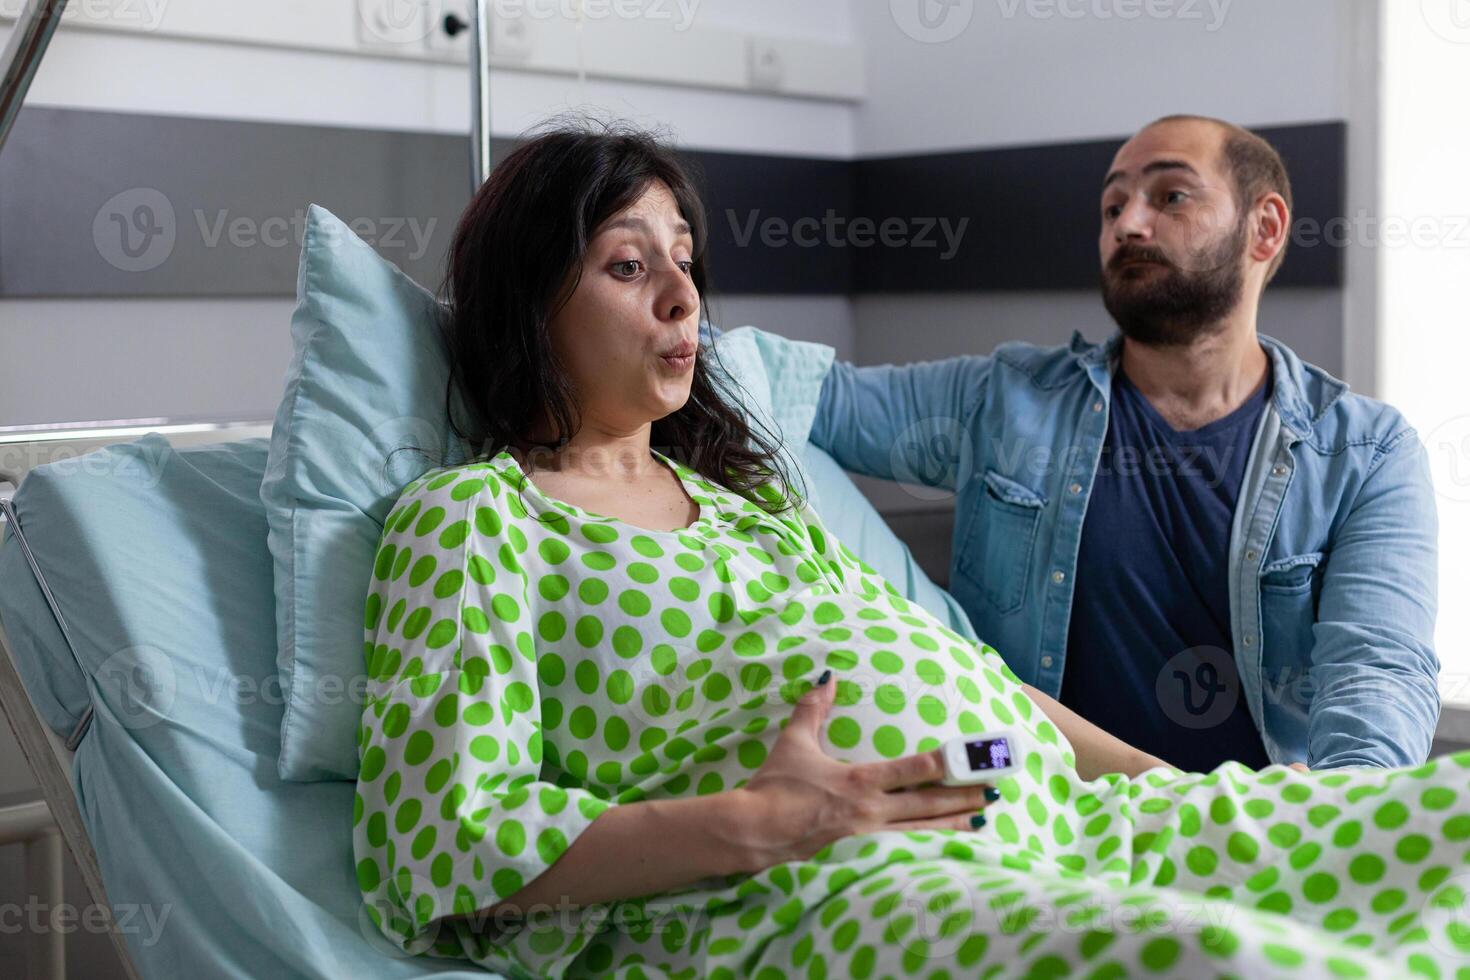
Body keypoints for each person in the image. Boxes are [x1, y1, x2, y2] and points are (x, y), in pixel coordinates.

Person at [353, 121, 1470, 978]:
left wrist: (1200, 797)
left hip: (1071, 820)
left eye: (687, 259)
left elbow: (992, 689)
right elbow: (442, 839)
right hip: (823, 884)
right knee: (1236, 960)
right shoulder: (474, 520)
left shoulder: (749, 504)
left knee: (1444, 817)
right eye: (629, 266)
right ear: (530, 300)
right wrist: (757, 823)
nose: (688, 295)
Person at [810, 115, 1440, 774]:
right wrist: (685, 300)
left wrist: (1344, 816)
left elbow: (1377, 674)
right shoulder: (1002, 401)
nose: (1127, 224)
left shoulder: (1366, 453)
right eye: (1113, 206)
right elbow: (789, 391)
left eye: (1170, 196)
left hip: (1257, 830)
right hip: (1042, 811)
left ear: (1266, 227)